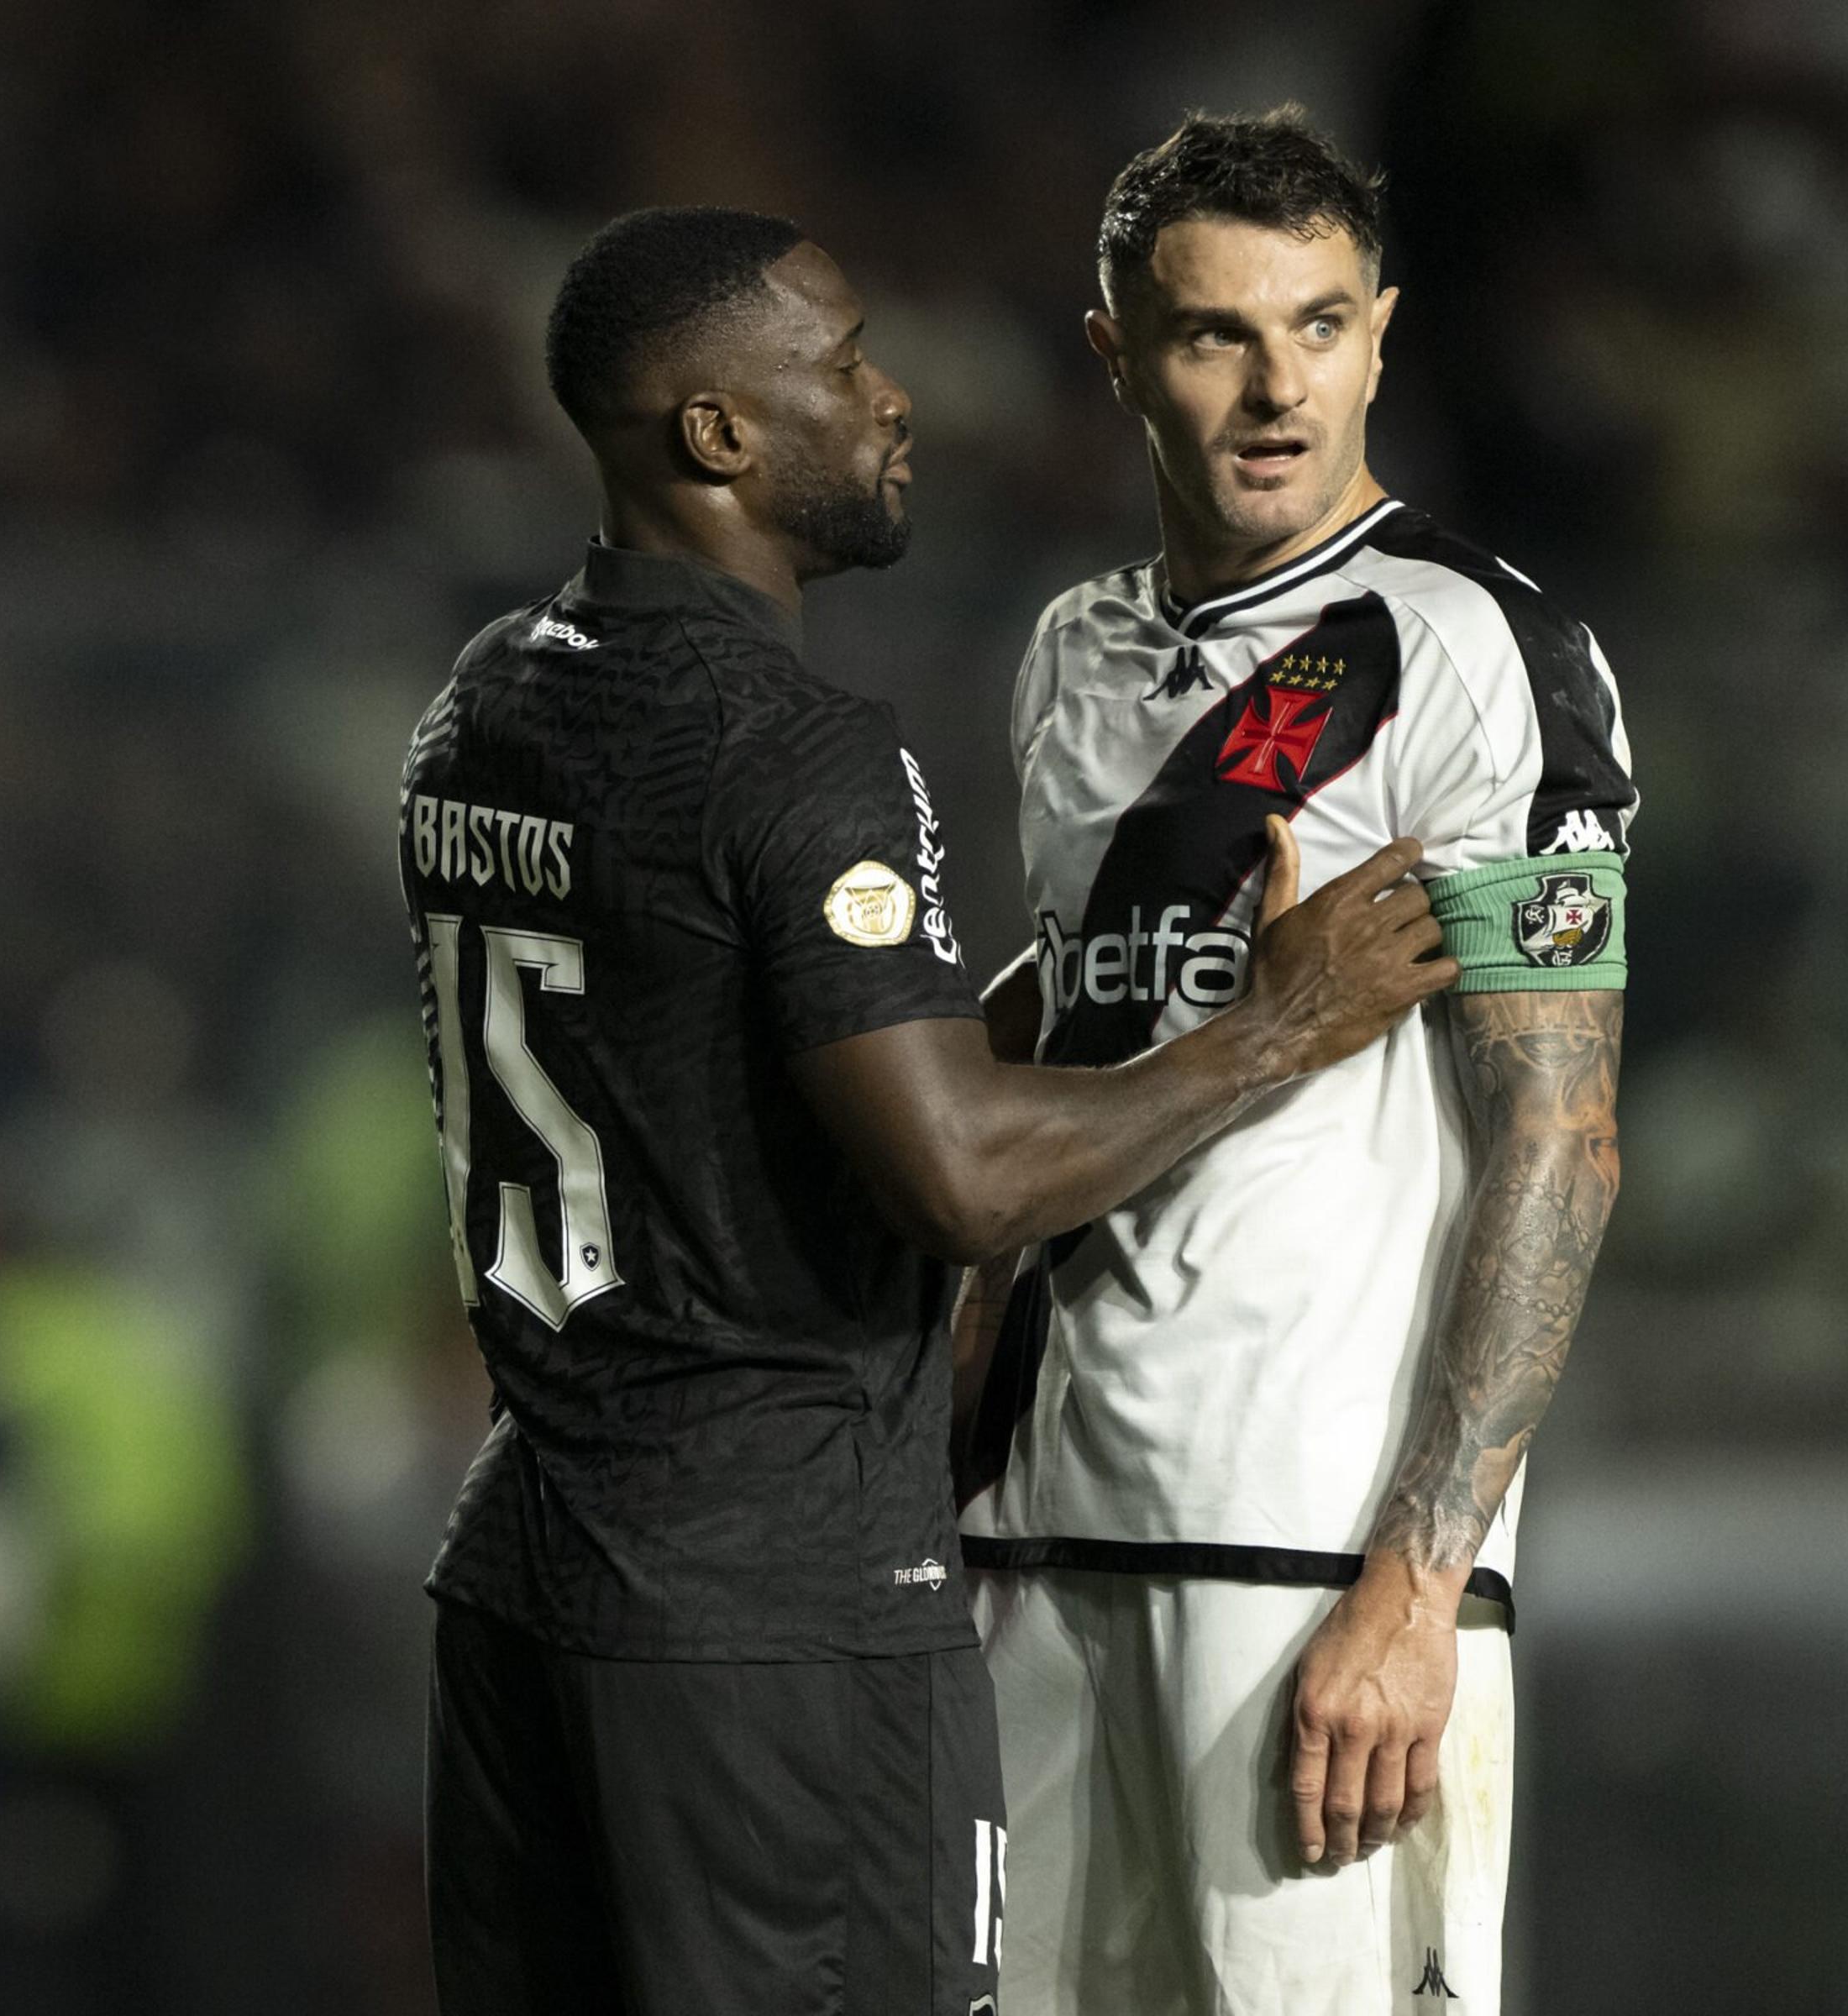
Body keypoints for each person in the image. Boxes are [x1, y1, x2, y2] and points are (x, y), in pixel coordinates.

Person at [403, 204, 1457, 2016]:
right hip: (775, 1613)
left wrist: (1041, 1007)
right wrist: (1272, 1028)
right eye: (840, 363)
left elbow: (707, 1054)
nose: (890, 402)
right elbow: (962, 1180)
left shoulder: (490, 701)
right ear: (719, 436)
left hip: (526, 1575)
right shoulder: (795, 747)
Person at [956, 108, 1634, 2016]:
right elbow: (1089, 1010)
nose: (1273, 390)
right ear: (1113, 348)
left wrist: (1420, 1586)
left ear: (1384, 334)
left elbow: (1562, 1140)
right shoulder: (1071, 652)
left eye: (1319, 327)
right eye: (1212, 336)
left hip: (1304, 1573)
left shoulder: (1478, 653)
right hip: (1026, 1545)